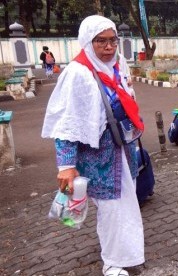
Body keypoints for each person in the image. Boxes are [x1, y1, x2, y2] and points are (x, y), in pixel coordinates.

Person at [41, 15, 145, 275]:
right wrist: (66, 165)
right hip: (97, 156)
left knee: (126, 203)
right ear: (88, 41)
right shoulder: (78, 73)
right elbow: (66, 124)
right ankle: (112, 262)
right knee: (111, 208)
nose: (109, 47)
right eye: (101, 41)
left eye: (113, 41)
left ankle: (127, 253)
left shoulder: (118, 64)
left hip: (122, 147)